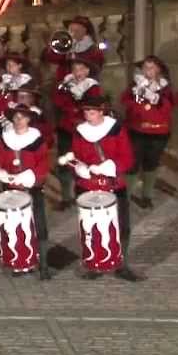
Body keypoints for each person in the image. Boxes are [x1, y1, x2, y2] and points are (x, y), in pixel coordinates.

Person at [66, 96, 140, 281]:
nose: (87, 116)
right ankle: (95, 263)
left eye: (91, 112)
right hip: (88, 186)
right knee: (92, 228)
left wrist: (110, 167)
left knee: (121, 227)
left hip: (113, 185)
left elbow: (128, 157)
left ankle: (121, 264)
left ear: (101, 112)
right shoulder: (79, 132)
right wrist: (78, 168)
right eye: (85, 112)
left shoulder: (116, 130)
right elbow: (74, 157)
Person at [0, 106, 54, 279]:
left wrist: (30, 175)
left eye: (23, 118)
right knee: (15, 227)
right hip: (11, 189)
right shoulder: (5, 139)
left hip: (32, 188)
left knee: (38, 225)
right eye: (16, 118)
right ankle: (21, 262)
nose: (19, 121)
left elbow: (43, 164)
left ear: (28, 120)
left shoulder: (37, 139)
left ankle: (44, 265)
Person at [121, 56, 172, 208]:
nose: (147, 70)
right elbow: (125, 100)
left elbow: (167, 109)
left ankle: (147, 196)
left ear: (158, 70)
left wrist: (153, 100)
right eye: (144, 67)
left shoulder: (165, 88)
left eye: (150, 67)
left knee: (151, 163)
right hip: (137, 131)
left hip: (158, 133)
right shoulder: (135, 85)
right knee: (132, 163)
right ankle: (126, 196)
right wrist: (141, 108)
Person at [52, 57, 102, 210]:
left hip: (84, 129)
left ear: (87, 71)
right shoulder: (67, 84)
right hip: (66, 128)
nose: (77, 73)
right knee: (65, 161)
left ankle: (83, 193)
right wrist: (69, 102)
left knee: (84, 162)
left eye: (81, 69)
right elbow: (57, 100)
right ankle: (66, 196)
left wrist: (75, 108)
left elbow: (93, 104)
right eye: (75, 70)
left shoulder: (92, 87)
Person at [42, 15, 104, 80]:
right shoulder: (66, 45)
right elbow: (51, 58)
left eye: (76, 30)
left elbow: (96, 69)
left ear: (85, 31)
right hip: (64, 83)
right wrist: (57, 46)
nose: (72, 33)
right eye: (71, 30)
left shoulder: (94, 50)